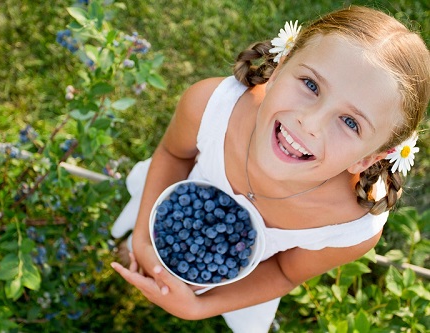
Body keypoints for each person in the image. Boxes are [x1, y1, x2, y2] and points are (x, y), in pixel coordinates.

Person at [110, 5, 430, 332]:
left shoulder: (350, 225)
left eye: (350, 122)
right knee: (140, 242)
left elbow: (283, 273)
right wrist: (142, 237)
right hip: (170, 209)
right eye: (311, 84)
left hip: (241, 280)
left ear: (368, 159)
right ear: (278, 70)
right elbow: (172, 155)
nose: (310, 122)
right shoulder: (210, 108)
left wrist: (198, 306)